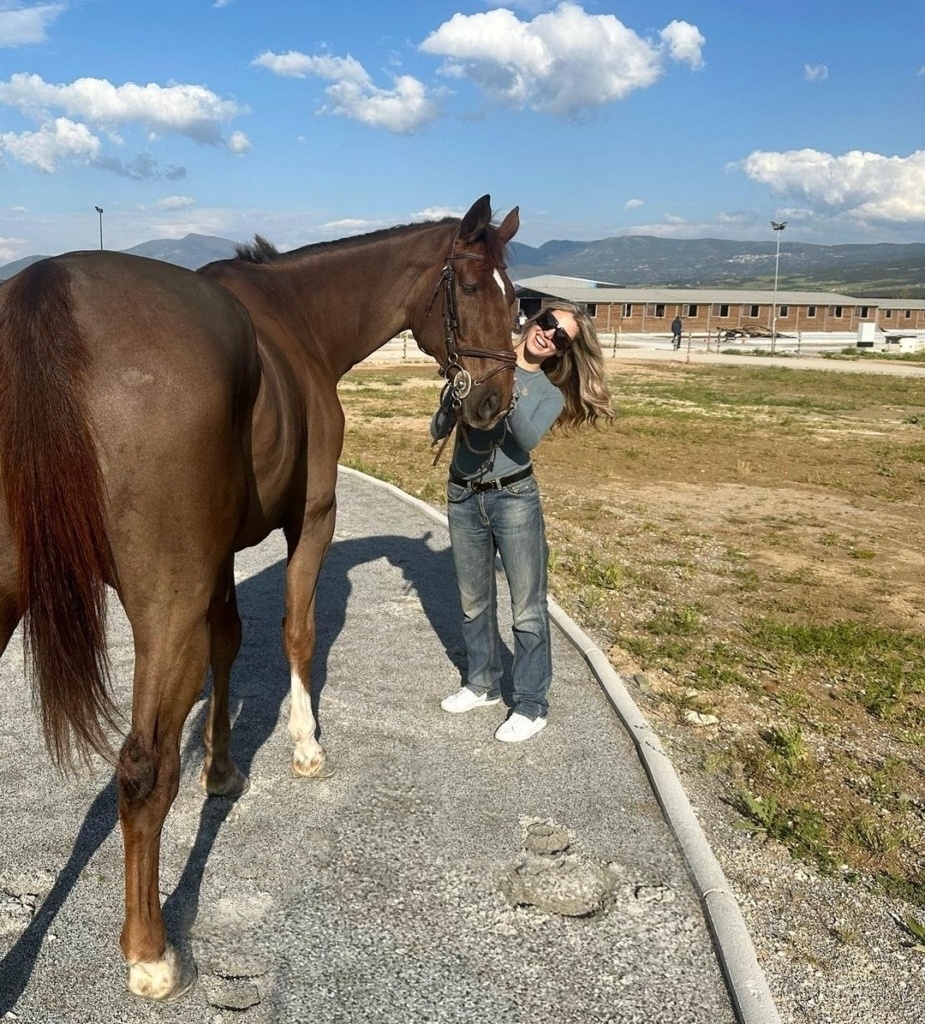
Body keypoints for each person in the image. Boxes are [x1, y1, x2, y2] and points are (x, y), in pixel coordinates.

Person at [431, 302, 614, 742]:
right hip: (463, 494)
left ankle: (532, 704)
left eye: (561, 337)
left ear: (563, 351)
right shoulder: (483, 362)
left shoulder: (548, 392)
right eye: (548, 322)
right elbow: (438, 429)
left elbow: (528, 439)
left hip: (513, 498)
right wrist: (450, 400)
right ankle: (482, 684)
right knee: (473, 601)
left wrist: (507, 390)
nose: (549, 334)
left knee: (527, 609)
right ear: (534, 319)